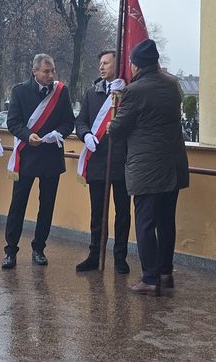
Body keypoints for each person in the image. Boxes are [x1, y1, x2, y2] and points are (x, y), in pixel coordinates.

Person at [108, 39, 189, 296]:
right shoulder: (173, 84)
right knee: (167, 221)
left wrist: (112, 121)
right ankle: (165, 274)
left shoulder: (135, 91)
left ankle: (149, 277)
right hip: (173, 166)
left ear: (136, 66)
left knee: (145, 223)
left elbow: (119, 129)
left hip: (146, 169)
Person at [2, 53, 75, 269]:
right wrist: (27, 135)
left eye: (52, 70)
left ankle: (39, 248)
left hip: (51, 157)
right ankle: (10, 251)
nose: (51, 75)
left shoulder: (61, 92)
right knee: (18, 205)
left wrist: (57, 134)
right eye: (46, 71)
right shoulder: (20, 91)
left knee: (47, 206)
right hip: (27, 156)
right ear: (34, 72)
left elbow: (68, 121)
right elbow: (13, 122)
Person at [75, 50, 131, 274]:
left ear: (117, 66)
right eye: (100, 63)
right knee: (97, 212)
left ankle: (120, 257)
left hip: (122, 160)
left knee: (123, 212)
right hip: (98, 161)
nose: (101, 67)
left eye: (106, 63)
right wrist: (85, 134)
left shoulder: (127, 93)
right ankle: (94, 254)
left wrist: (123, 95)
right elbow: (80, 121)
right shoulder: (92, 92)